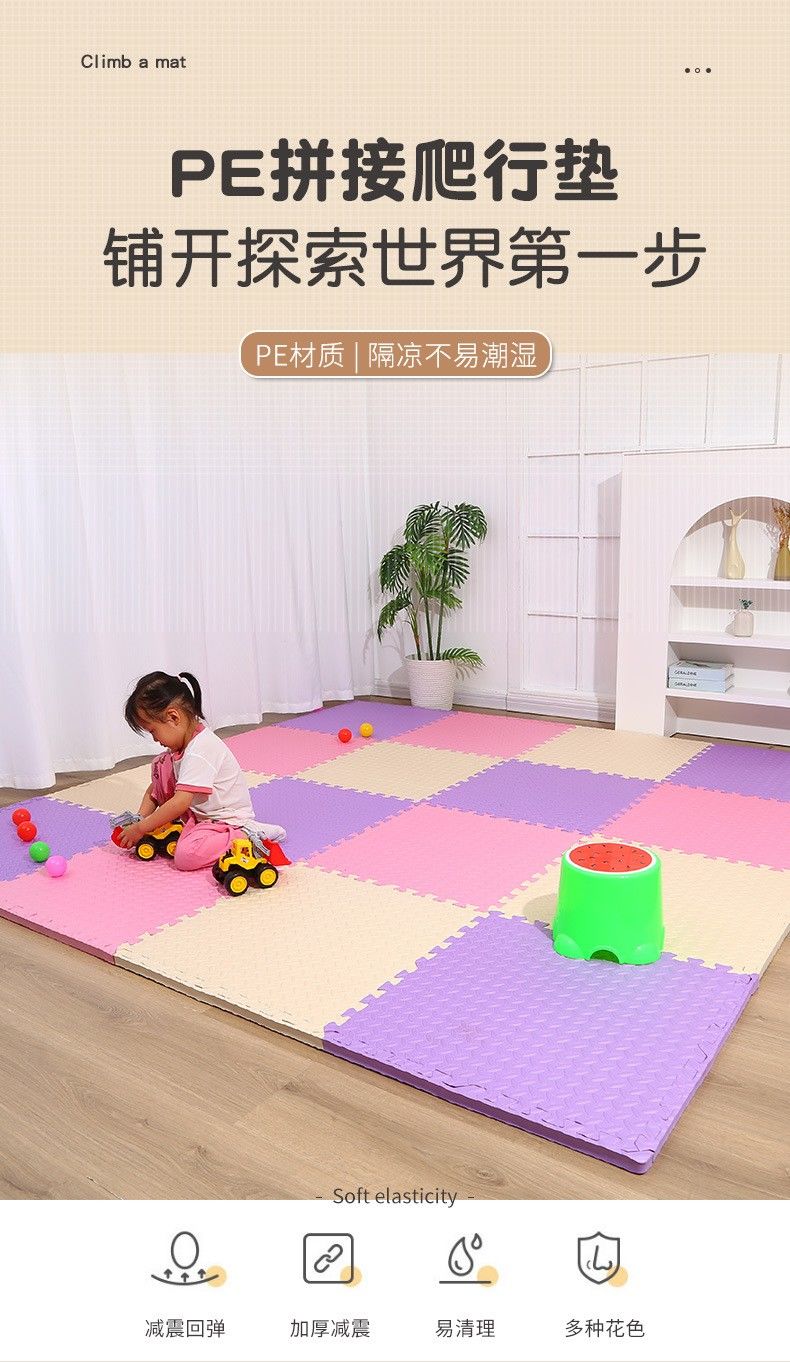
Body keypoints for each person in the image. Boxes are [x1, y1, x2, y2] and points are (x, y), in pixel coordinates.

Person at [115, 670, 286, 871]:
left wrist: (141, 829)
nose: (154, 739)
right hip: (197, 816)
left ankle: (247, 834)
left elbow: (180, 802)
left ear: (173, 717)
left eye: (153, 731)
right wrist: (140, 820)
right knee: (161, 765)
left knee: (186, 856)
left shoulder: (200, 750)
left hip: (223, 821)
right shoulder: (181, 747)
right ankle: (184, 828)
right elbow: (155, 789)